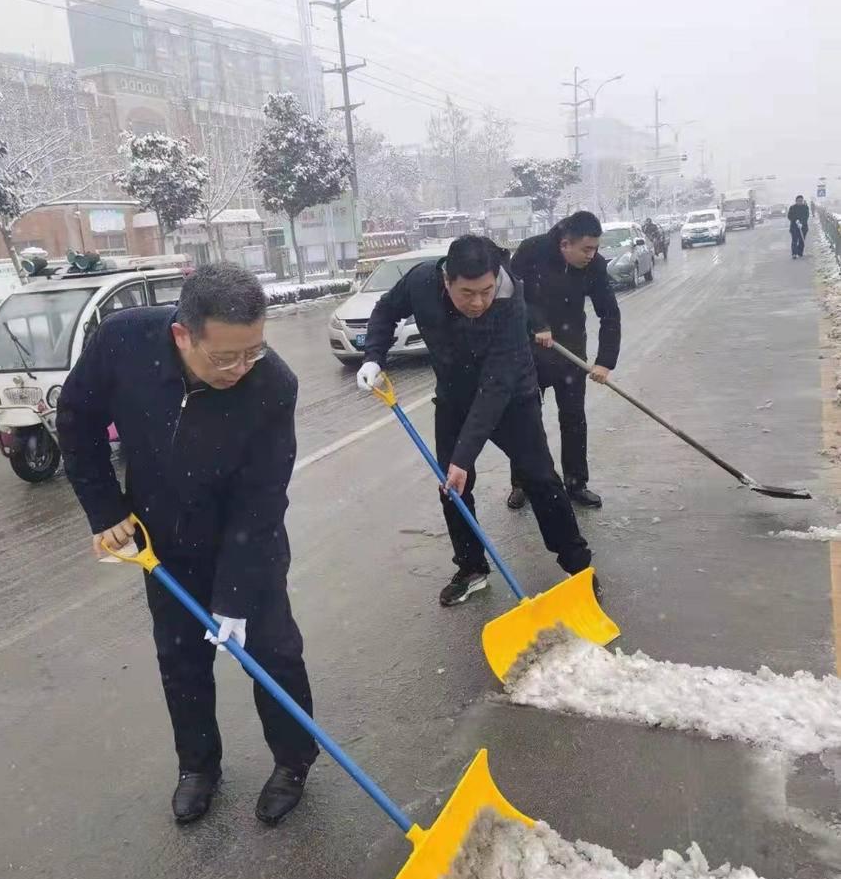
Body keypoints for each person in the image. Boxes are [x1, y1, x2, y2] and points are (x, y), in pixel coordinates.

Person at [57, 264, 319, 825]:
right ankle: (198, 767)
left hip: (247, 543)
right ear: (183, 334)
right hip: (164, 540)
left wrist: (232, 599)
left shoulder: (272, 385)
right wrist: (105, 510)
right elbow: (76, 419)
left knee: (274, 656)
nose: (240, 368)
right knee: (180, 659)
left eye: (253, 351)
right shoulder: (123, 341)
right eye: (224, 357)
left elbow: (263, 497)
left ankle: (293, 762)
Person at [356, 235, 592, 606]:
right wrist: (373, 356)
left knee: (541, 479)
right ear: (446, 280)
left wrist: (464, 456)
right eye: (468, 292)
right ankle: (472, 568)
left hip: (511, 397)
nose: (479, 301)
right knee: (452, 487)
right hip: (454, 398)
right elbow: (386, 311)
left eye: (486, 290)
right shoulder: (419, 282)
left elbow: (497, 383)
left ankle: (578, 566)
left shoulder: (509, 299)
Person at [506, 211, 621, 512]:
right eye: (586, 249)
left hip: (570, 352)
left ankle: (575, 482)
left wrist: (605, 362)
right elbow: (512, 296)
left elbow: (609, 313)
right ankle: (522, 482)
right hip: (529, 352)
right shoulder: (532, 251)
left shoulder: (593, 266)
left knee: (573, 419)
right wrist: (538, 322)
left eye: (595, 248)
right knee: (526, 421)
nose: (592, 255)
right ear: (564, 244)